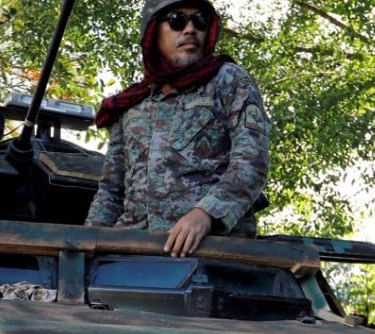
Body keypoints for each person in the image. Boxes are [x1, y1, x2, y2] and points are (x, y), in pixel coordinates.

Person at [84, 0, 272, 257]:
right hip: (132, 252)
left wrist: (206, 213)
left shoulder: (227, 80)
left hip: (214, 252)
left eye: (200, 20)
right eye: (177, 20)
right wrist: (86, 246)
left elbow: (252, 161)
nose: (190, 29)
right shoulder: (131, 104)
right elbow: (111, 191)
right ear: (152, 31)